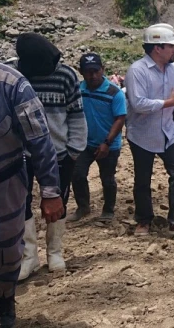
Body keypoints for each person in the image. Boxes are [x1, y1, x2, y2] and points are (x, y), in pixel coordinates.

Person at [0, 61, 65, 327]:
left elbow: (40, 139)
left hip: (4, 185)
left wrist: (50, 191)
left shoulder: (10, 83)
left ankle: (5, 299)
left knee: (7, 253)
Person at [9, 33, 86, 280]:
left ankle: (55, 252)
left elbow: (76, 115)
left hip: (59, 153)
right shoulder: (15, 75)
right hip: (20, 153)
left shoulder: (66, 76)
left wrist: (74, 151)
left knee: (57, 201)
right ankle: (29, 256)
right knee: (20, 202)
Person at [125, 23, 174, 237]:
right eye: (171, 46)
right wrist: (169, 103)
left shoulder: (173, 69)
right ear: (157, 48)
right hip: (143, 133)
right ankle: (143, 220)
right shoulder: (137, 71)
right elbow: (138, 104)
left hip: (169, 130)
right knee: (142, 178)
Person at [67, 53, 126, 223]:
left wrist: (107, 143)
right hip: (84, 143)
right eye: (88, 72)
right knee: (77, 175)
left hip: (109, 144)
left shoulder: (114, 93)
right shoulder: (78, 90)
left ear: (103, 70)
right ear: (81, 72)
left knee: (107, 179)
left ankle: (108, 210)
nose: (92, 75)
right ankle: (83, 207)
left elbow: (120, 119)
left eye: (96, 71)